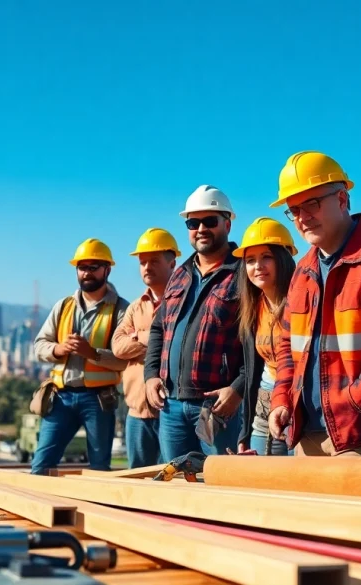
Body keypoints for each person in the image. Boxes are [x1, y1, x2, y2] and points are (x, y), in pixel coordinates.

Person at [267, 151, 361, 456]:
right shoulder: (303, 270)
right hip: (306, 436)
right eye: (294, 209)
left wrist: (354, 401)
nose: (302, 217)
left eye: (312, 203)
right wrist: (282, 398)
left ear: (341, 199)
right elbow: (287, 345)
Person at [144, 185, 248, 461]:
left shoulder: (244, 273)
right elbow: (158, 329)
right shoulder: (180, 275)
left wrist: (238, 388)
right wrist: (151, 375)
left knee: (218, 485)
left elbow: (257, 338)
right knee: (176, 484)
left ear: (227, 224)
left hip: (216, 406)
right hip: (171, 406)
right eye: (193, 222)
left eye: (209, 221)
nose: (201, 228)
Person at [32, 238, 130, 475]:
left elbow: (124, 359)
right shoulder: (64, 306)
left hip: (98, 400)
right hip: (61, 398)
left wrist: (93, 354)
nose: (87, 272)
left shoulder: (122, 310)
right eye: (82, 267)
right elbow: (39, 346)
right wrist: (59, 349)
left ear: (107, 269)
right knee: (41, 465)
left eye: (93, 267)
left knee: (99, 468)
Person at [111, 228, 181, 468]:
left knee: (172, 475)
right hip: (137, 411)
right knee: (136, 480)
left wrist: (139, 338)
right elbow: (118, 346)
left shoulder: (184, 301)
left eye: (154, 261)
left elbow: (180, 345)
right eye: (142, 263)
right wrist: (156, 340)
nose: (146, 267)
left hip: (171, 411)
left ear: (172, 264)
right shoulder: (135, 307)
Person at [233, 218, 298, 456]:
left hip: (297, 406)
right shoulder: (253, 307)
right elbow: (253, 373)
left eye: (266, 257)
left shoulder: (300, 300)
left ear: (283, 258)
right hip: (264, 404)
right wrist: (244, 432)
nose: (258, 266)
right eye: (250, 260)